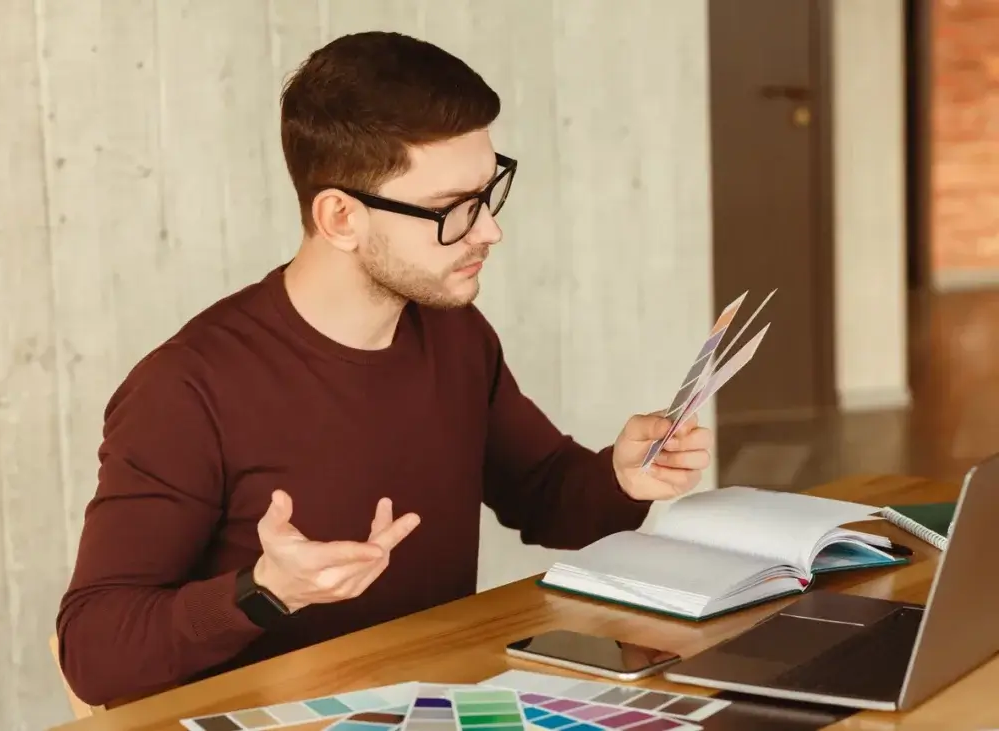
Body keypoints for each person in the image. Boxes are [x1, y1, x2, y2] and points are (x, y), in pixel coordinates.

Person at [55, 30, 713, 708]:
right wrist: (264, 589)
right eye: (452, 209)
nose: (488, 230)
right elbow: (92, 651)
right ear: (340, 216)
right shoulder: (186, 388)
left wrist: (622, 476)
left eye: (488, 194)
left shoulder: (455, 334)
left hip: (433, 704)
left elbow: (546, 493)